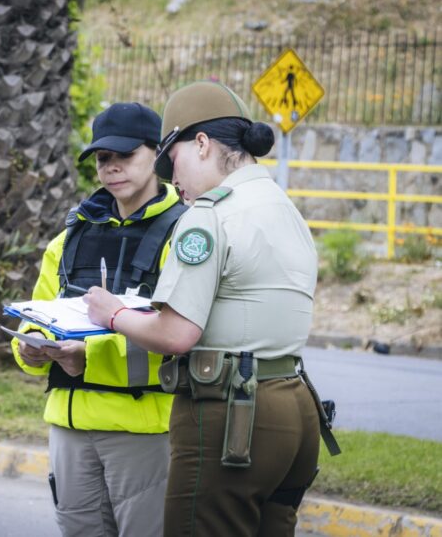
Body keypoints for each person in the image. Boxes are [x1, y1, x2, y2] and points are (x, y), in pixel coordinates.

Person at [83, 81, 338, 536]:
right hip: (295, 406)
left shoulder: (209, 215)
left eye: (171, 161)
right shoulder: (282, 206)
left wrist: (113, 314)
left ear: (201, 144)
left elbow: (177, 334)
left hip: (232, 413)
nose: (170, 178)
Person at [12, 103, 188, 537]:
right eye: (103, 158)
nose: (112, 168)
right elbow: (35, 315)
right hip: (70, 428)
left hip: (143, 431)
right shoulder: (71, 235)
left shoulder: (184, 234)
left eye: (125, 156)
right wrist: (31, 349)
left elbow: (180, 338)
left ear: (158, 154)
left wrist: (87, 357)